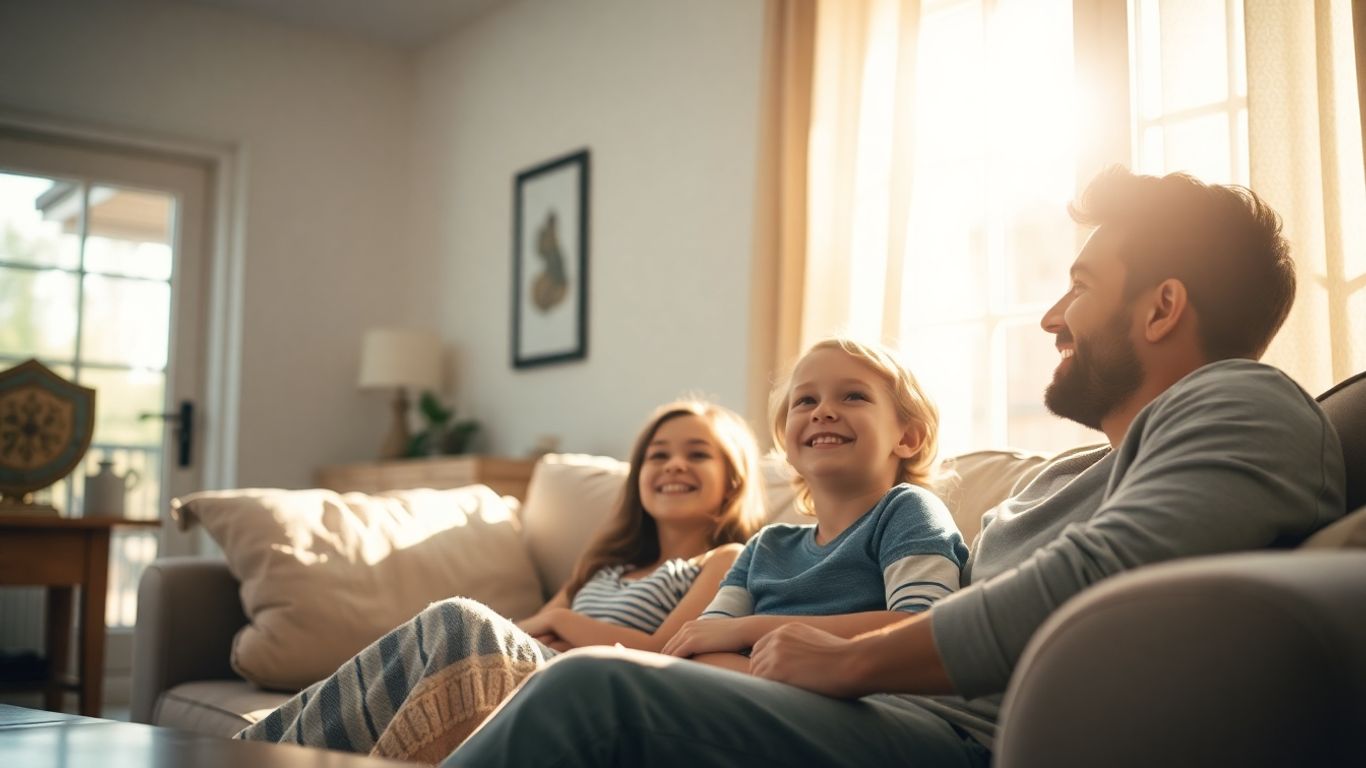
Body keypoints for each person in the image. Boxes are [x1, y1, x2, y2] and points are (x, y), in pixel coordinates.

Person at [443, 167, 1347, 768]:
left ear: (1163, 308)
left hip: (957, 737)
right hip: (905, 718)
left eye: (1080, 284)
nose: (1051, 318)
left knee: (598, 694)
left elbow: (1099, 579)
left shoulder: (1246, 402)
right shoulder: (1062, 477)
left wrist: (848, 661)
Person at [236, 399, 767, 762]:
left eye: (697, 454)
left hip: (589, 688)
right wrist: (552, 627)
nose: (674, 465)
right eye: (659, 454)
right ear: (639, 479)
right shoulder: (607, 562)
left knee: (458, 620)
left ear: (732, 484)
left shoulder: (723, 559)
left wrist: (561, 620)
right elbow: (525, 631)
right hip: (539, 667)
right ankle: (250, 750)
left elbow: (660, 650)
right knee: (439, 643)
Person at [659, 338, 968, 673]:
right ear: (788, 446)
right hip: (755, 699)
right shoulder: (764, 547)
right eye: (805, 400)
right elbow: (700, 643)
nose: (823, 412)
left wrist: (746, 630)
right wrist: (762, 675)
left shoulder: (907, 511)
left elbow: (920, 629)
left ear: (907, 438)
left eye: (854, 396)